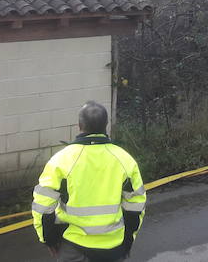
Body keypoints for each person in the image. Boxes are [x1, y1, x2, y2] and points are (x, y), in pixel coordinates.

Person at [32, 101, 145, 261]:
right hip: (113, 247)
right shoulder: (125, 160)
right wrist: (128, 240)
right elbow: (135, 206)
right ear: (106, 124)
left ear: (79, 125)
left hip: (73, 246)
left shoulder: (60, 161)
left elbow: (43, 207)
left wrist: (48, 240)